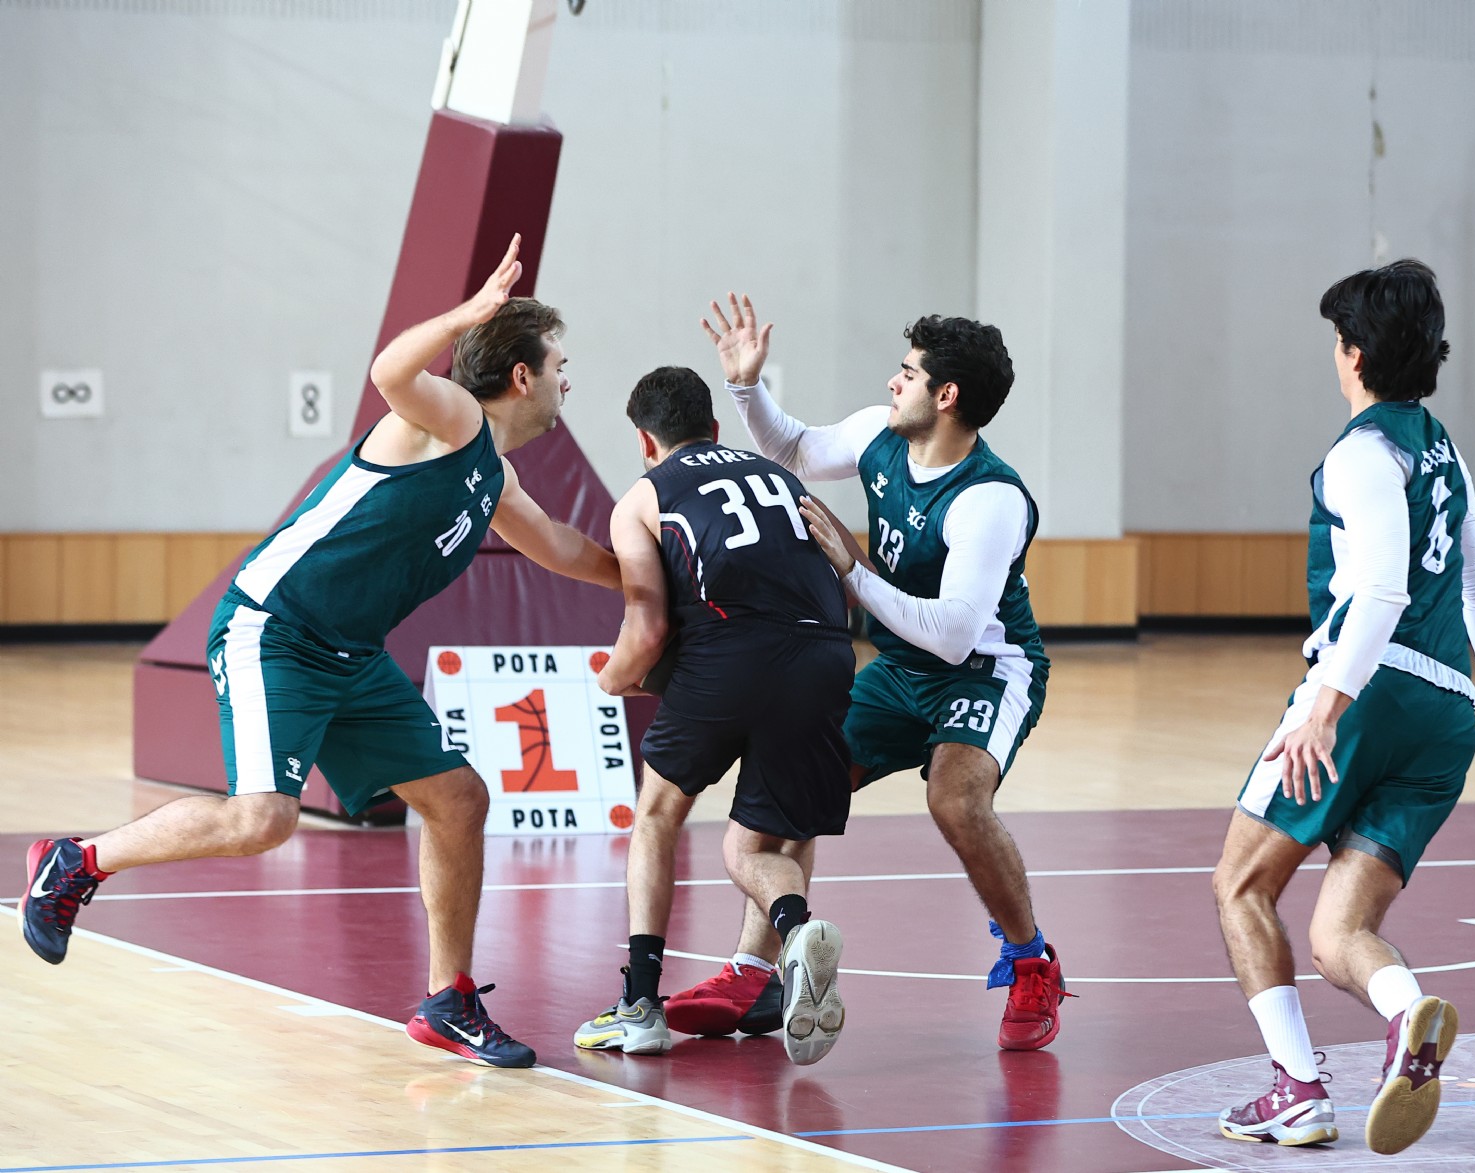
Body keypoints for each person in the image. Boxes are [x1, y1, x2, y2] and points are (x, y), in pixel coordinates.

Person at [19, 236, 620, 1068]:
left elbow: (558, 545)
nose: (567, 381)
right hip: (276, 628)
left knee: (458, 799)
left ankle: (449, 999)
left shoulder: (495, 476)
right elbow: (389, 371)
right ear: (523, 375)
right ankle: (74, 862)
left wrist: (645, 579)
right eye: (560, 365)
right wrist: (469, 313)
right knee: (261, 820)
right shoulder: (449, 417)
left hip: (350, 654)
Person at [1211, 260, 1475, 1153]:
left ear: (1356, 353)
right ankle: (1408, 1011)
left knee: (1242, 884)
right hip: (1447, 714)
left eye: (1338, 342)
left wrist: (1326, 709)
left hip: (1370, 690)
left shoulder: (1362, 453)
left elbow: (1378, 592)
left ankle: (1297, 1090)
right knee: (1340, 933)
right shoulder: (1443, 450)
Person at [662, 293, 1066, 1053]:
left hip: (984, 669)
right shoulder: (883, 433)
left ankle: (1030, 959)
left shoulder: (989, 497)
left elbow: (953, 636)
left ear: (945, 396)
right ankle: (756, 972)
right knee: (791, 794)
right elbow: (795, 449)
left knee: (954, 798)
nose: (892, 381)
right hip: (898, 664)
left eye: (907, 373)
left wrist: (852, 572)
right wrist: (746, 387)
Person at [571, 365, 855, 1066]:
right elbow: (847, 569)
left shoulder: (644, 495)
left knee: (657, 813)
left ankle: (640, 1007)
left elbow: (646, 628)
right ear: (716, 427)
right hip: (826, 654)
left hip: (728, 653)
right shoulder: (781, 478)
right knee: (770, 838)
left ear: (646, 440)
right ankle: (793, 937)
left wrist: (614, 677)